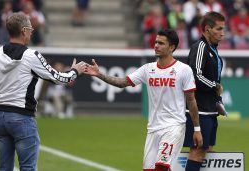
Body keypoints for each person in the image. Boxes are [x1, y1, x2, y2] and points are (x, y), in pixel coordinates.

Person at [85, 29, 203, 171]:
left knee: (161, 167)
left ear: (172, 47)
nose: (156, 46)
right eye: (155, 42)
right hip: (153, 128)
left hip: (174, 126)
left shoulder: (184, 70)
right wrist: (99, 74)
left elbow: (191, 100)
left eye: (161, 43)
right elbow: (122, 82)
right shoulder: (148, 69)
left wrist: (197, 129)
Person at [0, 12, 86, 171]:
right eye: (30, 28)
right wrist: (74, 71)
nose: (32, 31)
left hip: (0, 117)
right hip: (22, 118)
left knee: (4, 168)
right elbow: (57, 78)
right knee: (28, 168)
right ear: (23, 31)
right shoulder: (31, 56)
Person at [183, 11, 227, 171]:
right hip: (199, 111)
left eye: (223, 29)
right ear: (208, 29)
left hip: (209, 110)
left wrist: (217, 101)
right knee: (198, 152)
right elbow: (195, 75)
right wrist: (215, 86)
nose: (223, 33)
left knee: (206, 151)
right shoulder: (200, 47)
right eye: (219, 29)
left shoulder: (213, 49)